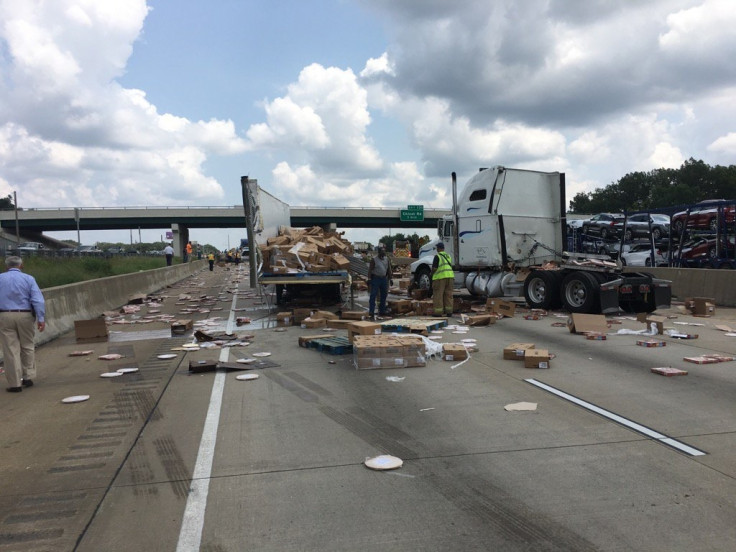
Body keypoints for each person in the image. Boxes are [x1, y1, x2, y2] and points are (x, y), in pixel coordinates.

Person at [0, 256, 46, 392]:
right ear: (21, 265)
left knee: (10, 349)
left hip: (5, 315)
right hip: (25, 314)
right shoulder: (29, 279)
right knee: (27, 345)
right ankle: (28, 376)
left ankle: (15, 384)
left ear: (6, 266)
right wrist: (41, 318)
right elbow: (38, 300)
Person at [367, 244, 392, 320]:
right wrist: (369, 279)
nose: (383, 253)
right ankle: (371, 311)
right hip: (376, 279)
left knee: (384, 295)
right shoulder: (374, 260)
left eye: (384, 252)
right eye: (382, 252)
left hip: (384, 279)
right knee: (373, 295)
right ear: (379, 252)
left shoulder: (386, 259)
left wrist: (390, 278)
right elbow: (370, 270)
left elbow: (388, 269)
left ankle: (382, 310)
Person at [431, 242, 454, 317]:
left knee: (438, 295)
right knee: (448, 295)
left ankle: (438, 312)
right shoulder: (448, 256)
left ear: (439, 248)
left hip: (440, 278)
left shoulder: (437, 256)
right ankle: (449, 311)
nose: (437, 249)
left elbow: (434, 268)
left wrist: (431, 274)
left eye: (437, 248)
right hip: (450, 277)